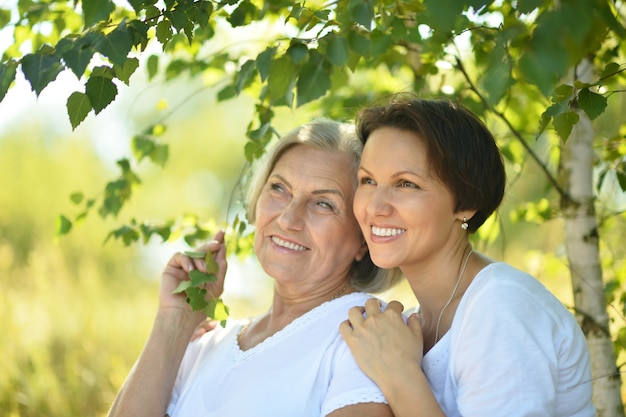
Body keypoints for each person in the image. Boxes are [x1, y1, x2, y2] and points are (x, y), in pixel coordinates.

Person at [107, 119, 402, 417]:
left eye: (323, 204)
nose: (288, 219)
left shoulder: (367, 333)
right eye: (278, 188)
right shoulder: (205, 343)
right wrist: (173, 324)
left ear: (366, 237)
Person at [339, 95, 596, 417]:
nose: (375, 206)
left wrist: (400, 375)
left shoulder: (500, 306)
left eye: (406, 184)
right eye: (368, 181)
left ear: (466, 203)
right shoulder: (418, 321)